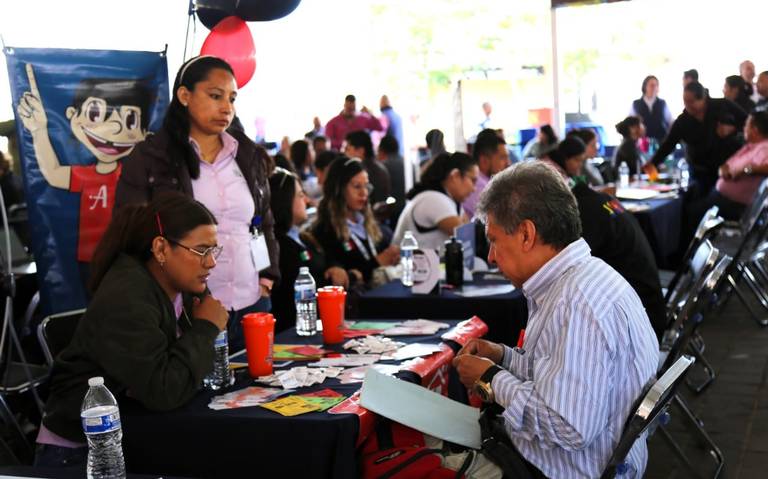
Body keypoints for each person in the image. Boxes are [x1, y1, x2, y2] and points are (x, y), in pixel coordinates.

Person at [452, 161, 659, 478]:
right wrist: (503, 357)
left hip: (562, 468)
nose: (491, 256)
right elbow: (556, 375)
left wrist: (491, 379)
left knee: (415, 455)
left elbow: (568, 427)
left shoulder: (576, 303)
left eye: (493, 240)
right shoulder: (580, 278)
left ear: (526, 234)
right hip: (576, 457)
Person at [35, 192, 228, 468]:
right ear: (161, 248)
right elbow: (164, 390)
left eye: (213, 250)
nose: (211, 262)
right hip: (82, 453)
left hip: (137, 433)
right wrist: (206, 327)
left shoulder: (182, 286)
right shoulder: (127, 297)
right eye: (201, 250)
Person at [116, 55, 279, 352]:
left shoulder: (246, 154)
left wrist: (267, 277)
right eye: (215, 96)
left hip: (253, 300)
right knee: (201, 393)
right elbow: (131, 236)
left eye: (232, 98)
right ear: (184, 95)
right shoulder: (152, 157)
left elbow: (263, 222)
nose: (226, 107)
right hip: (190, 311)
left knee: (261, 391)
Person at [547, 138, 667, 339]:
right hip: (646, 304)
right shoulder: (601, 202)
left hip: (640, 322)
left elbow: (567, 269)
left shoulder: (585, 214)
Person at [268, 168, 347, 332]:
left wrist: (334, 267)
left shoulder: (303, 237)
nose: (307, 200)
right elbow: (301, 286)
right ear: (284, 200)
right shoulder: (278, 246)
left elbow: (324, 258)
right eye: (300, 195)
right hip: (294, 328)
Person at [648, 81, 748, 197]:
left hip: (729, 169)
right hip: (700, 173)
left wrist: (733, 129)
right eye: (685, 102)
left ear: (703, 99)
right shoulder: (682, 122)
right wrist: (650, 168)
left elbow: (749, 122)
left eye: (691, 102)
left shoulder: (723, 105)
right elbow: (667, 146)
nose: (687, 106)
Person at [310, 157, 399, 287]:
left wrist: (393, 258)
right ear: (338, 189)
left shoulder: (368, 222)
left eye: (366, 186)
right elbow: (344, 276)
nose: (364, 193)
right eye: (357, 186)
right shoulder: (325, 230)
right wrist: (377, 262)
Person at [393, 152, 478, 251]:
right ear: (455, 176)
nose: (474, 189)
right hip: (406, 263)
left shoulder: (445, 198)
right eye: (473, 180)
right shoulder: (433, 199)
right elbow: (466, 237)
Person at [462, 129, 510, 218]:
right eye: (503, 158)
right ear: (484, 161)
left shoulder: (486, 182)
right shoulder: (478, 186)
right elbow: (500, 220)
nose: (508, 163)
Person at [345, 130, 391, 205]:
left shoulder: (360, 171)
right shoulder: (379, 167)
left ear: (360, 150)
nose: (345, 153)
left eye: (348, 149)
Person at [629, 75, 673, 145]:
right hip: (642, 143)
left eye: (656, 85)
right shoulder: (636, 104)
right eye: (652, 85)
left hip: (661, 141)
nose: (654, 88)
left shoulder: (662, 103)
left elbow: (670, 121)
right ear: (645, 87)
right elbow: (630, 124)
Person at [377, 135, 406, 224]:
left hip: (392, 213)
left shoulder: (382, 167)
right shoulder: (408, 164)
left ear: (381, 151)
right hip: (407, 207)